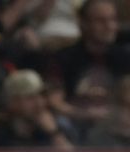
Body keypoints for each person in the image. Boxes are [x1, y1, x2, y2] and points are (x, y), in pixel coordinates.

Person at [45, 0, 130, 137]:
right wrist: (87, 114)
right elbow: (55, 102)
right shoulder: (64, 58)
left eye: (113, 19)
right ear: (83, 23)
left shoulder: (125, 58)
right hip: (75, 127)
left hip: (119, 128)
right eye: (101, 21)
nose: (110, 26)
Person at [0, 67, 76, 148]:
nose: (39, 103)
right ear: (12, 102)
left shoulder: (58, 128)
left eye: (41, 95)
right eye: (30, 97)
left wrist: (54, 133)